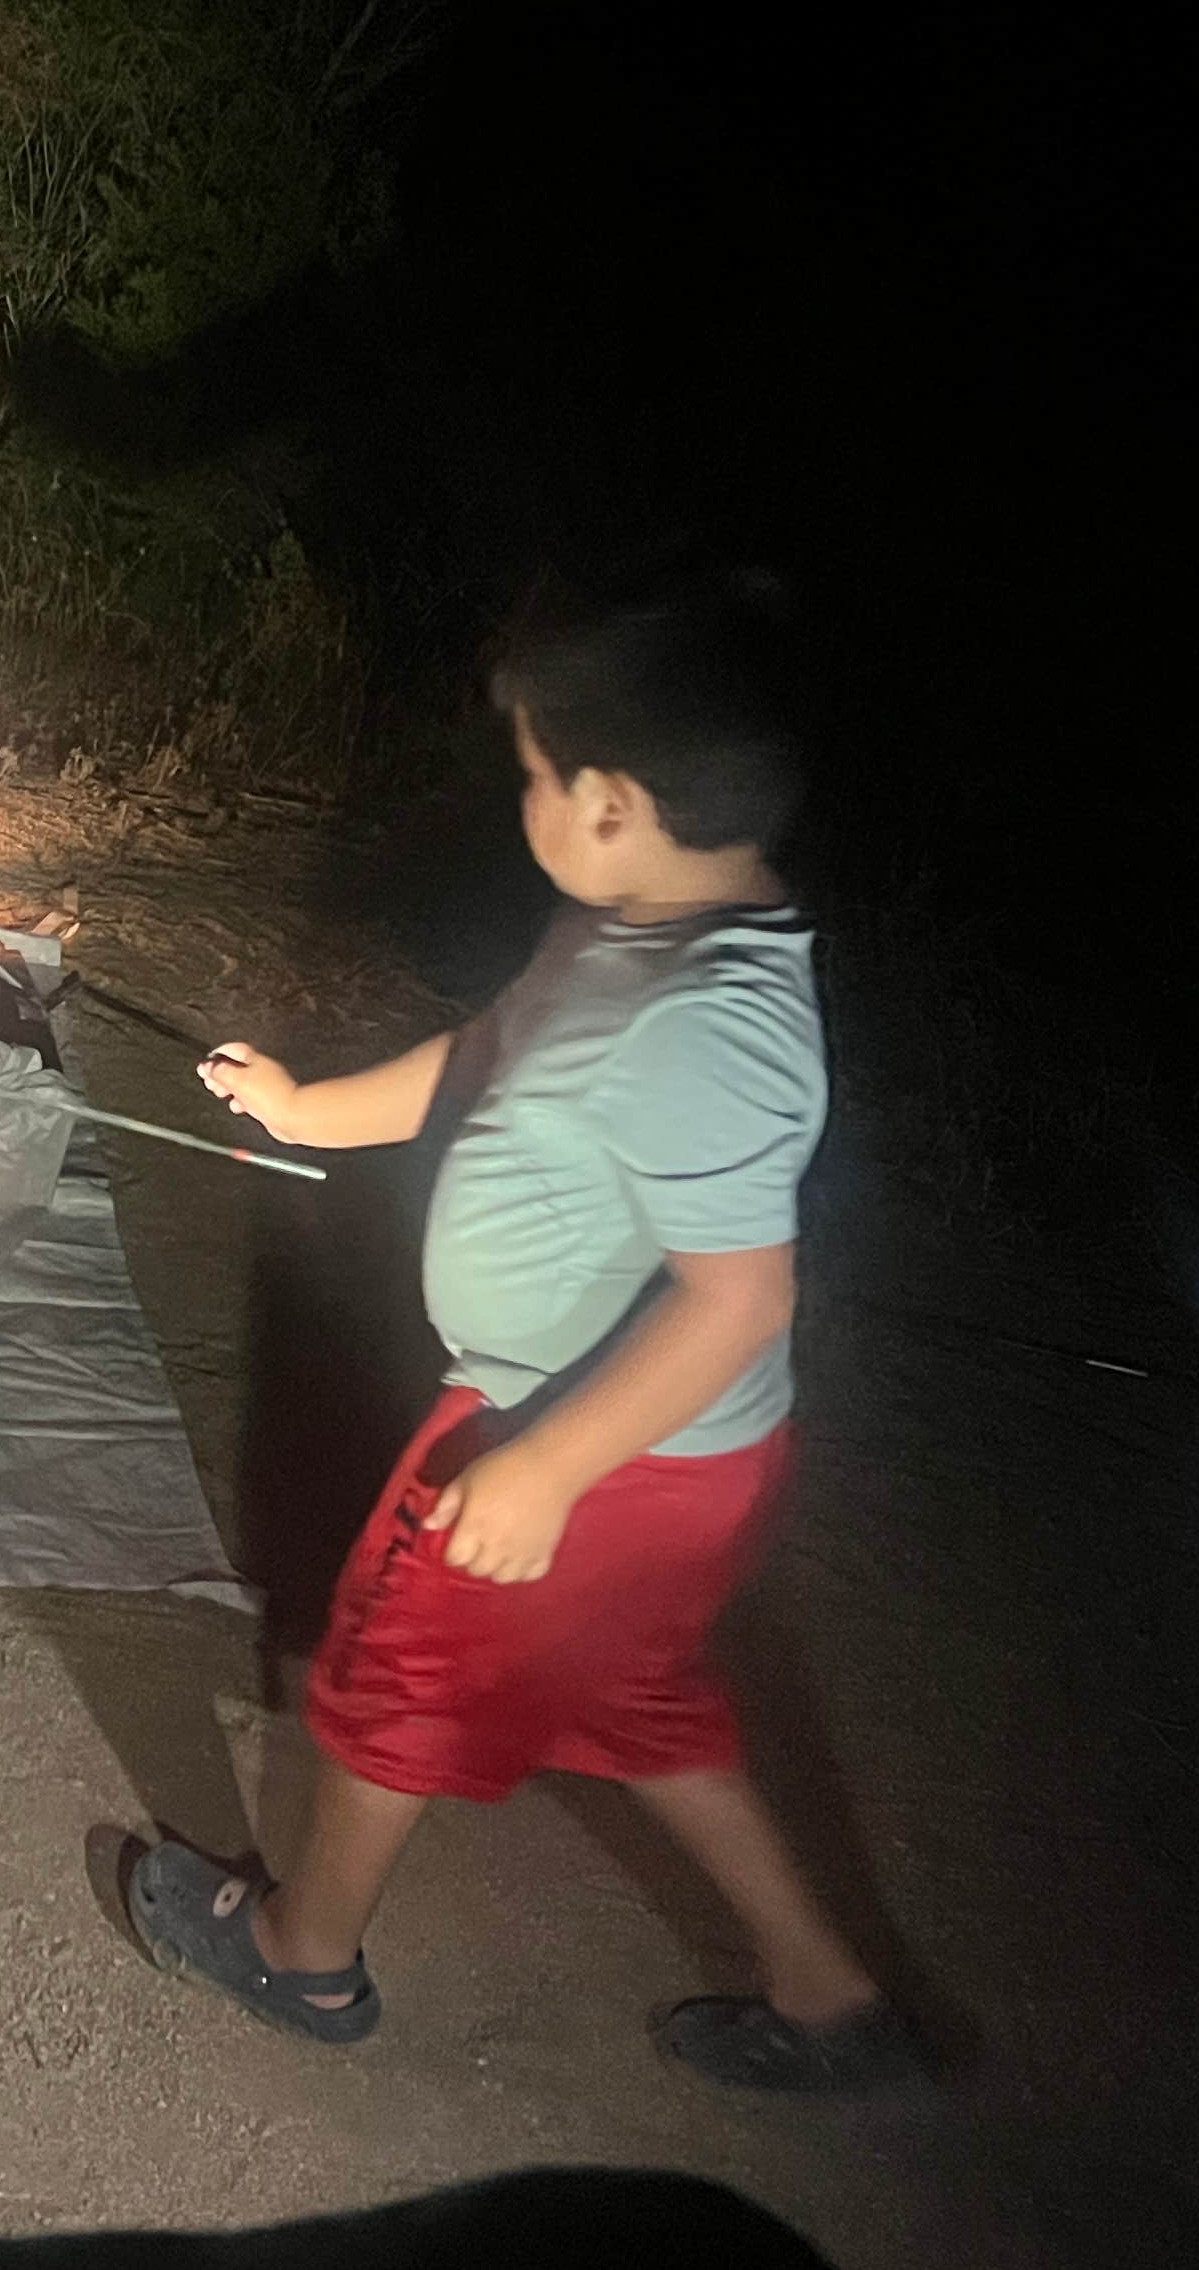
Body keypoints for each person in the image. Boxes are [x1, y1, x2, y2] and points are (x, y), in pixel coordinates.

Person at [129, 570, 920, 2091]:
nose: (529, 800)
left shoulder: (719, 1015)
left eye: (539, 775)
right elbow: (475, 1059)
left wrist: (548, 1466)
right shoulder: (620, 931)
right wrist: (306, 1109)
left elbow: (741, 1294)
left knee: (387, 1674)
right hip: (625, 1454)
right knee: (636, 1697)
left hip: (596, 1452)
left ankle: (305, 1961)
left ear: (616, 800)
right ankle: (824, 1991)